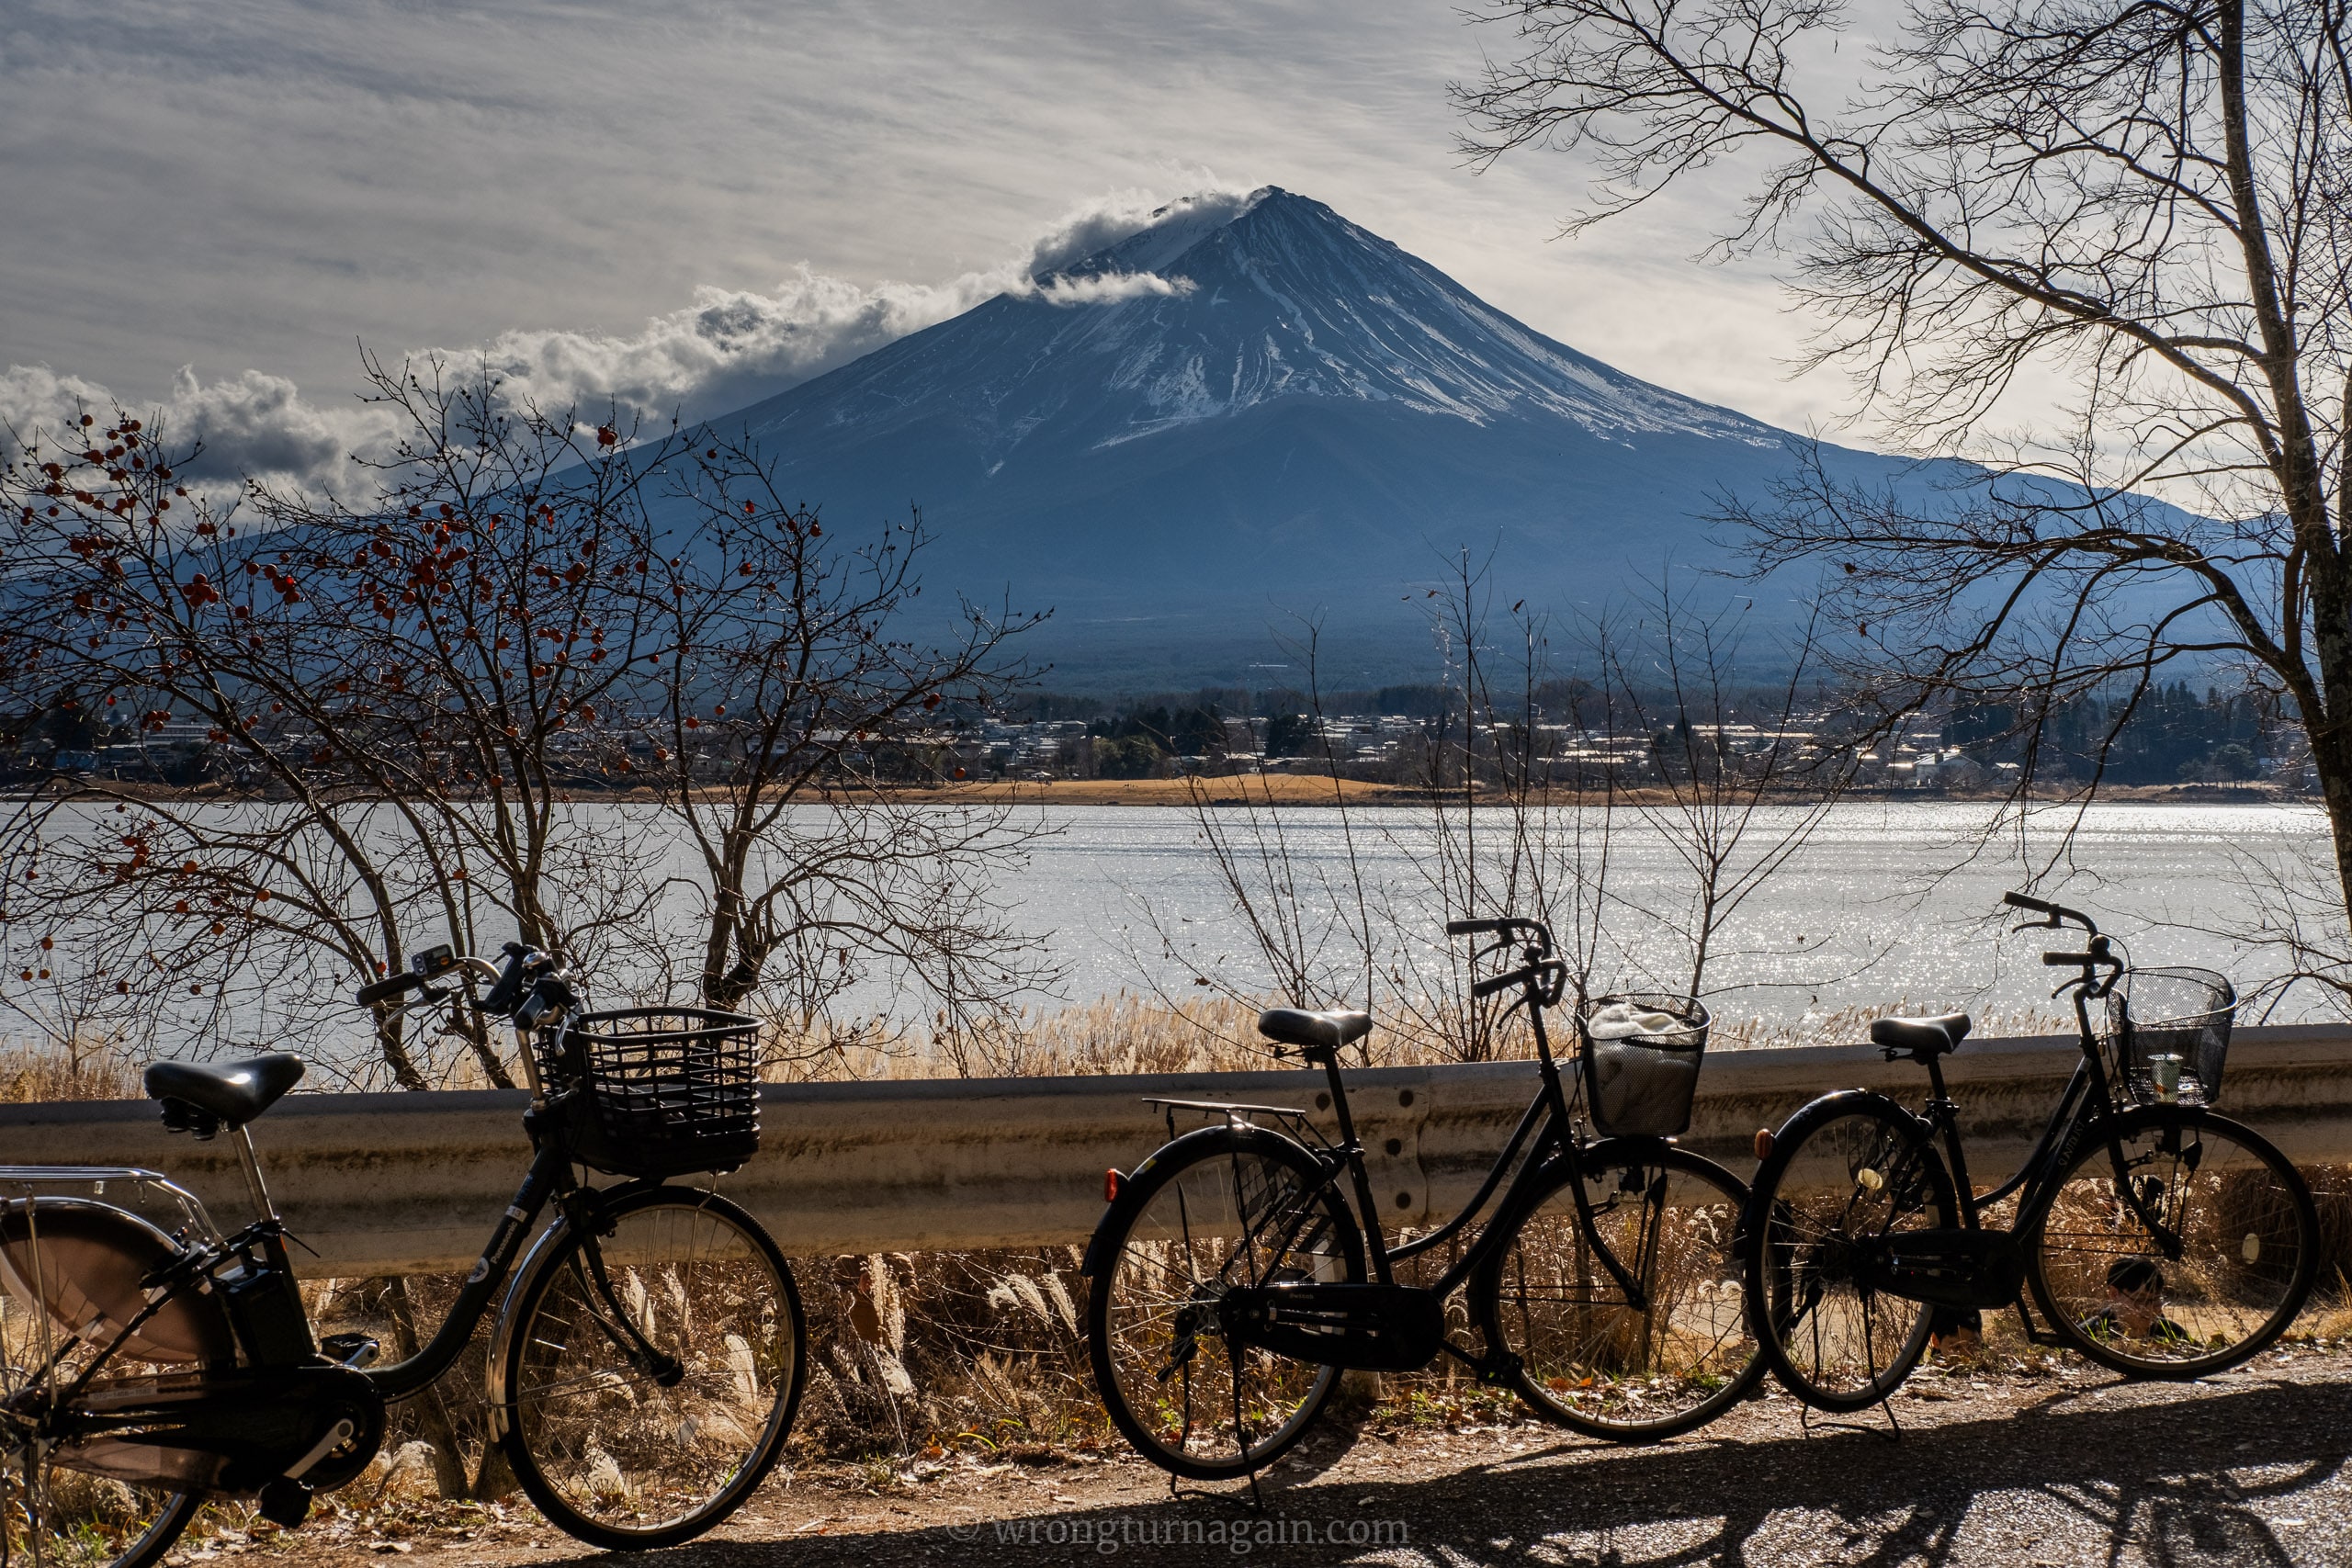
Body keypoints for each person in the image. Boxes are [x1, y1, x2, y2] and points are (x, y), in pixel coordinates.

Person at [2077, 1258, 2191, 1345]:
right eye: (2141, 1299)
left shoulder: (2173, 1333)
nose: (2151, 1308)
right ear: (2114, 1294)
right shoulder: (2086, 1337)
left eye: (2156, 1299)